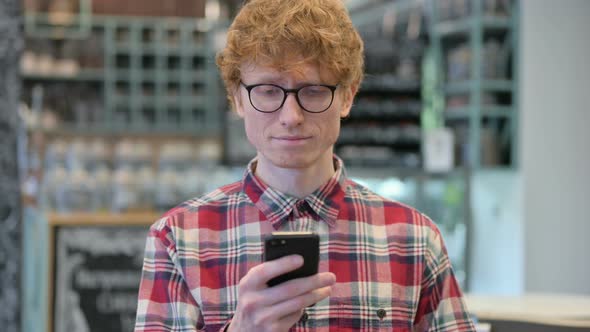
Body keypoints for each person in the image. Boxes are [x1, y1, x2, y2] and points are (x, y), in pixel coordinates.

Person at [135, 0, 475, 331]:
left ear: (347, 96)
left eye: (313, 91)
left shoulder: (414, 240)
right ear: (238, 98)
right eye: (268, 91)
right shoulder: (178, 239)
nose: (291, 117)